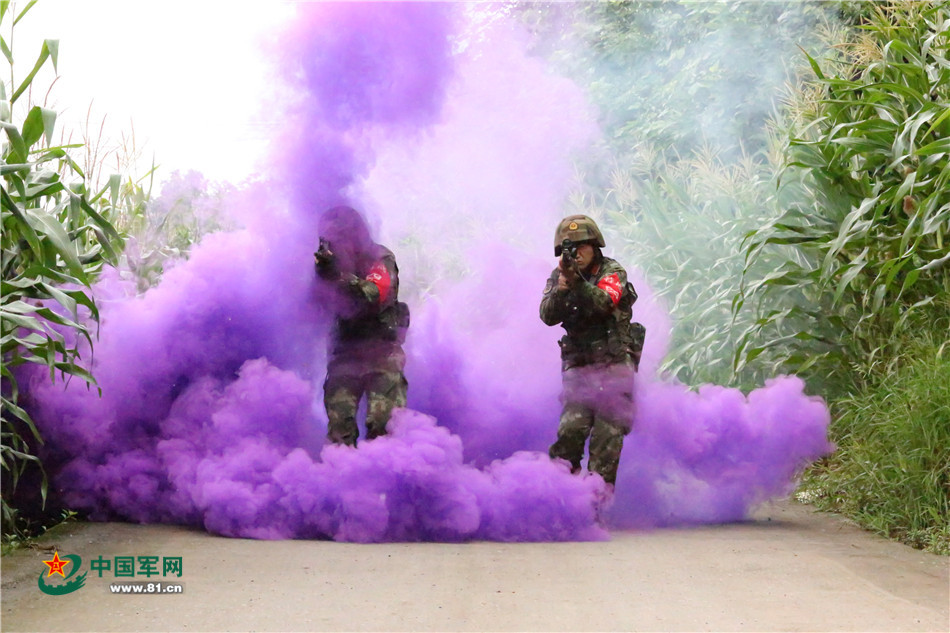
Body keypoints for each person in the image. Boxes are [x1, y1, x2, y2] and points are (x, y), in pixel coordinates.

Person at [540, 214, 644, 488]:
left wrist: (577, 283)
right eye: (571, 248)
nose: (578, 253)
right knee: (570, 432)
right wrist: (562, 289)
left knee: (607, 438)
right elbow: (547, 316)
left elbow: (604, 303)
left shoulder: (612, 272)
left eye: (583, 246)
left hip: (613, 366)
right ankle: (561, 497)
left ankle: (595, 505)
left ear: (595, 245)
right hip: (580, 367)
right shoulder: (559, 276)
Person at [314, 205, 409, 447]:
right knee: (339, 433)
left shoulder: (378, 257)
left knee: (383, 427)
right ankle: (343, 480)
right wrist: (321, 277)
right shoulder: (330, 266)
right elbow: (313, 308)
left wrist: (339, 276)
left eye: (341, 236)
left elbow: (375, 293)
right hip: (345, 353)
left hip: (382, 354)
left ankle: (385, 481)